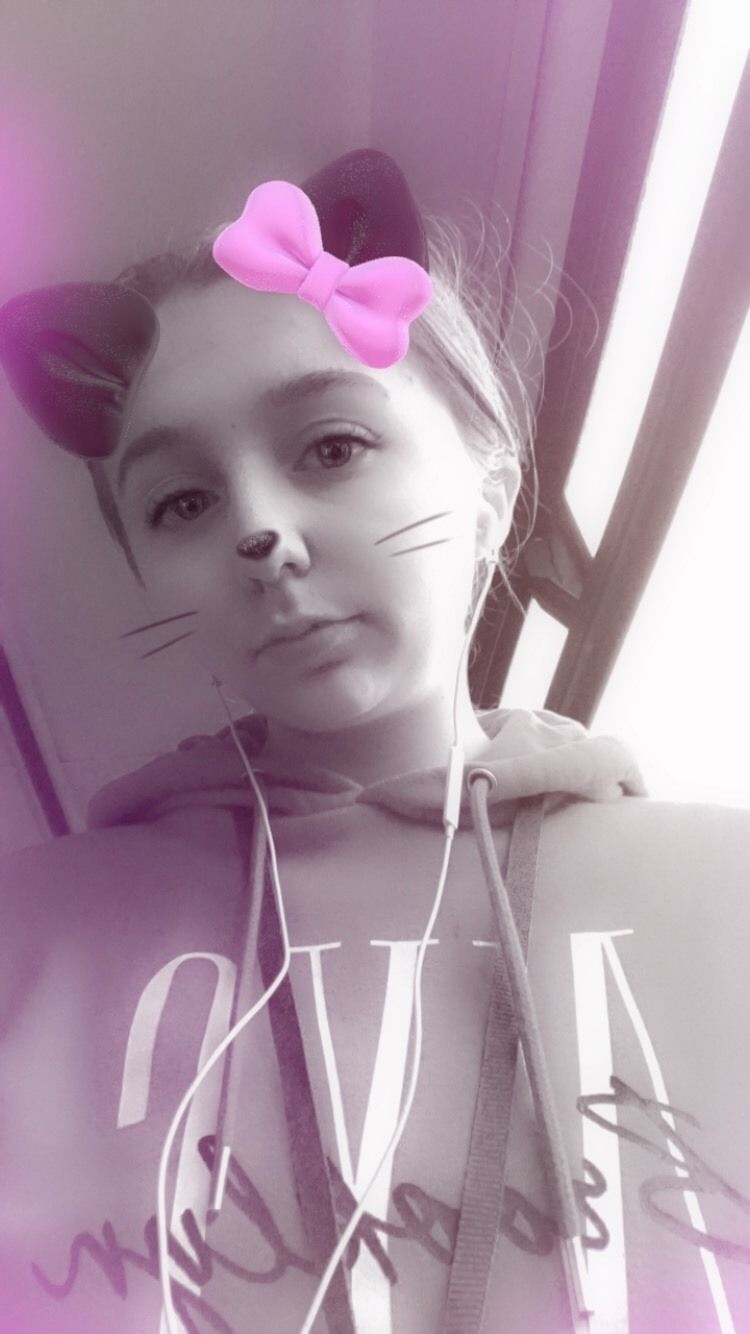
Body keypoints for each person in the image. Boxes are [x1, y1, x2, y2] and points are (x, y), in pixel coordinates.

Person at [0, 147, 748, 1334]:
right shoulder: (27, 936)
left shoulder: (727, 888)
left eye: (333, 446)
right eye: (182, 501)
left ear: (492, 489)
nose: (260, 530)